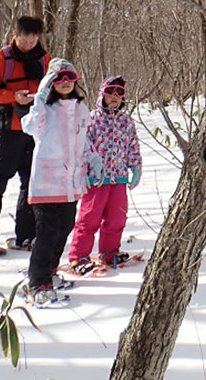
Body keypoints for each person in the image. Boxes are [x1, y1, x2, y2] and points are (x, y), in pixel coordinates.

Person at [21, 58, 100, 305]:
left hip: (71, 183)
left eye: (70, 78)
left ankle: (51, 272)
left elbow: (83, 140)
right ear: (51, 82)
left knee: (64, 228)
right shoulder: (45, 109)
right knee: (47, 232)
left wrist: (92, 159)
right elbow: (31, 127)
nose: (65, 83)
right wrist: (39, 99)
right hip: (47, 182)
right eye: (59, 78)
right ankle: (37, 282)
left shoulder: (81, 110)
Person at [0, 16, 50, 257]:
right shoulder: (1, 59)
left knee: (31, 182)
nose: (29, 41)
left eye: (34, 37)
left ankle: (26, 235)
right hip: (8, 129)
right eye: (25, 36)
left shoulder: (44, 60)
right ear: (15, 34)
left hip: (35, 131)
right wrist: (13, 97)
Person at [67, 76, 142, 275]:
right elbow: (83, 147)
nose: (114, 97)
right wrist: (83, 171)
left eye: (119, 93)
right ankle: (79, 256)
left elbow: (132, 146)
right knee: (89, 218)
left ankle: (109, 251)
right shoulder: (91, 119)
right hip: (96, 178)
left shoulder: (126, 121)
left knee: (117, 217)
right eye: (110, 92)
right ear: (102, 94)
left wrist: (135, 167)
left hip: (118, 177)